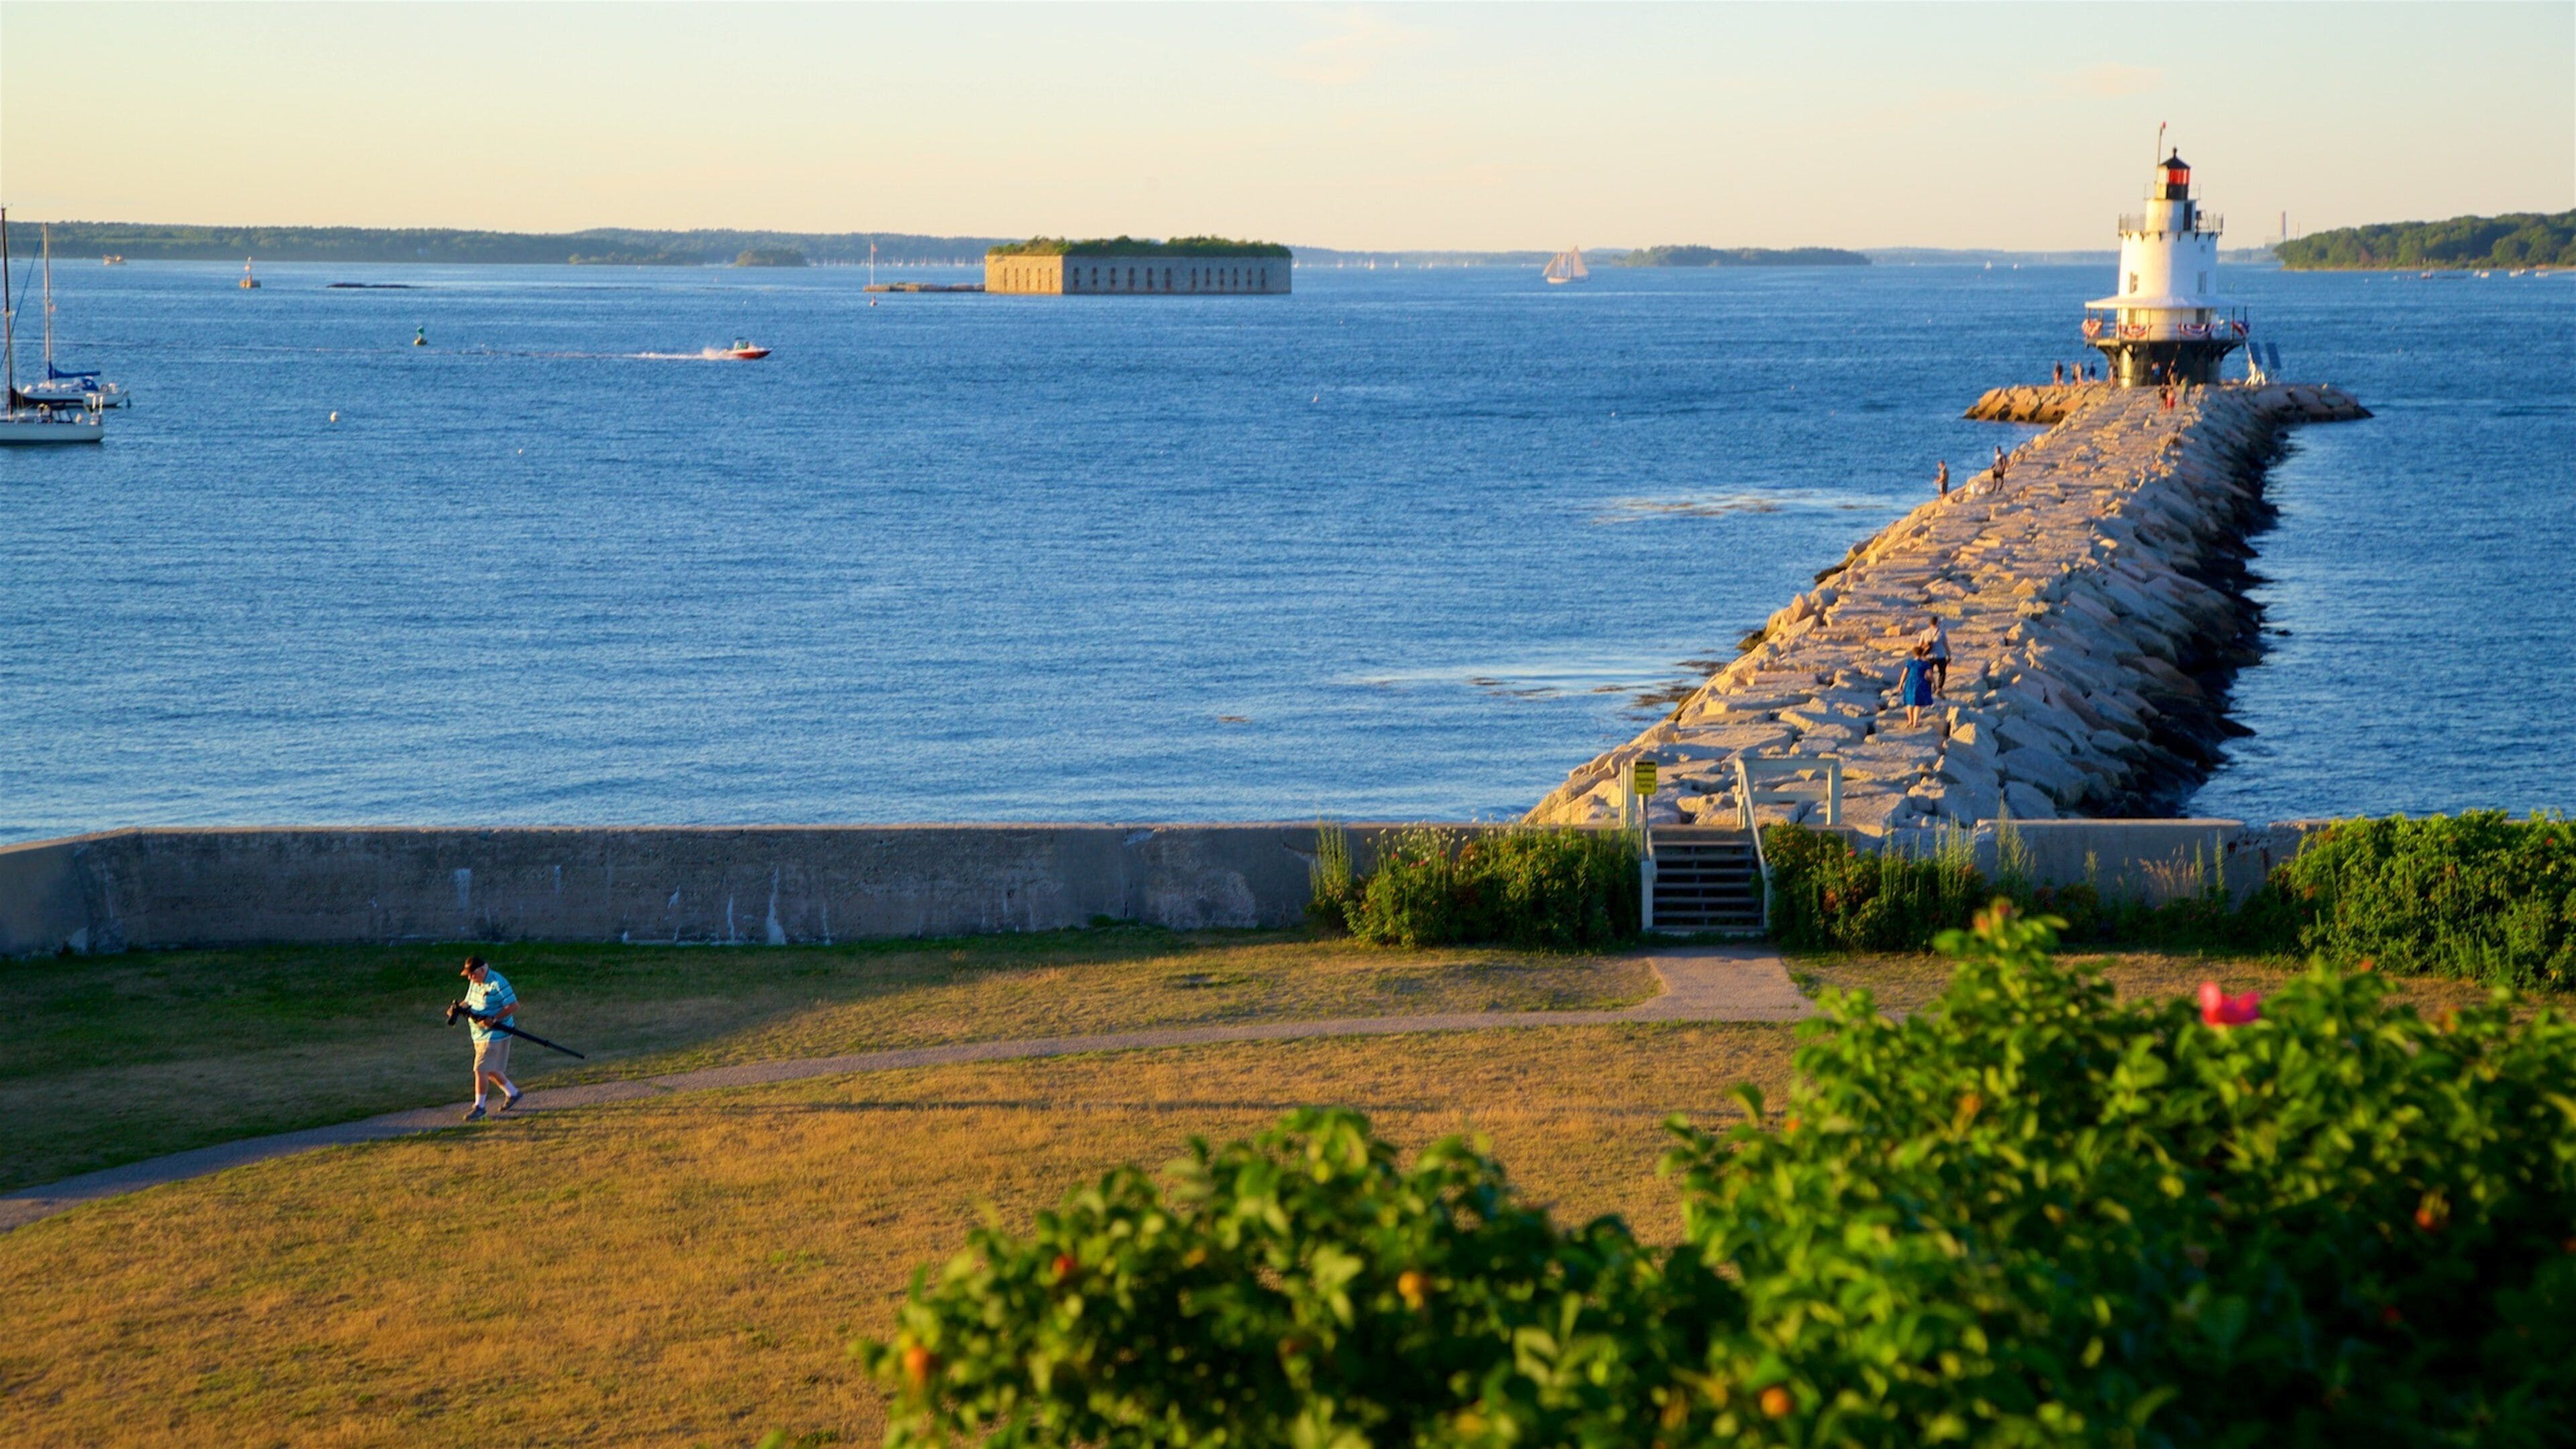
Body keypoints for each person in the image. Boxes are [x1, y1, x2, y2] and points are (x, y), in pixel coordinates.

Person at [456, 955, 523, 1121]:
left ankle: (480, 1107)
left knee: (480, 1069)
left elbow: (513, 1006)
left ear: (482, 969)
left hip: (496, 1033)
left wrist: (494, 1018)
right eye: (469, 975)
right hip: (479, 1034)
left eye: (472, 974)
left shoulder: (498, 982)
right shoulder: (475, 982)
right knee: (491, 1069)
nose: (470, 978)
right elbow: (468, 1001)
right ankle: (513, 1093)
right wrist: (458, 1008)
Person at [1898, 645, 1935, 728]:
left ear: (1914, 653)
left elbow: (1904, 674)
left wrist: (1901, 684)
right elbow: (1929, 675)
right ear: (1922, 653)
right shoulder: (1925, 664)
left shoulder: (1910, 663)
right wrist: (1934, 683)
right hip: (1921, 682)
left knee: (1909, 702)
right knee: (1918, 704)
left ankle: (1910, 720)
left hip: (1910, 683)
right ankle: (1916, 723)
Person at [1917, 616, 1951, 695]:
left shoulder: (1924, 632)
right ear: (1937, 623)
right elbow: (1946, 646)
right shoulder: (1942, 633)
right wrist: (1949, 657)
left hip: (1928, 657)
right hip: (1941, 656)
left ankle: (1929, 689)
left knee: (1929, 673)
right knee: (1942, 672)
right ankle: (1939, 688)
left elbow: (1919, 646)